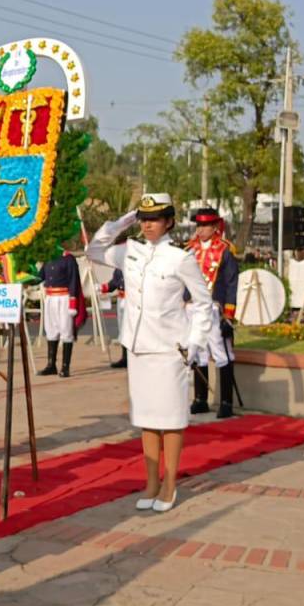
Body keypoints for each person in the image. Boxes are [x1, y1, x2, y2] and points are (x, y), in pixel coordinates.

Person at [86, 194, 213, 513]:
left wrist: (194, 344)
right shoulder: (130, 252)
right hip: (139, 346)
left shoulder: (179, 258)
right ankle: (151, 482)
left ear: (169, 221)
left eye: (154, 219)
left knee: (170, 419)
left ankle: (170, 484)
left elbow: (202, 302)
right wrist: (122, 222)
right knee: (147, 420)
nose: (147, 224)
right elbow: (94, 250)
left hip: (171, 348)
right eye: (143, 218)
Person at [184, 208, 240, 418]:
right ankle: (200, 399)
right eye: (198, 225)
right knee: (197, 352)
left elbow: (231, 283)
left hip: (213, 308)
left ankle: (226, 402)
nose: (201, 229)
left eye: (205, 225)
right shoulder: (190, 249)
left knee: (221, 353)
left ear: (215, 226)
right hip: (191, 307)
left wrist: (229, 315)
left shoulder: (225, 250)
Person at [37, 242, 85, 377]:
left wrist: (72, 302)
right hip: (50, 298)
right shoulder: (48, 258)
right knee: (51, 329)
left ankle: (65, 367)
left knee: (66, 330)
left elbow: (73, 281)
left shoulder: (68, 259)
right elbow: (40, 277)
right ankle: (51, 365)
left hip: (64, 298)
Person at [100, 266, 128, 368]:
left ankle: (133, 359)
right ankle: (125, 358)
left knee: (131, 329)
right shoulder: (119, 266)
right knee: (122, 329)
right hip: (121, 299)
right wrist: (103, 287)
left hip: (131, 300)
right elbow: (115, 282)